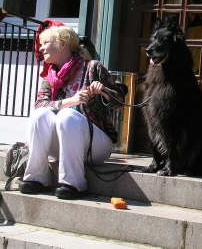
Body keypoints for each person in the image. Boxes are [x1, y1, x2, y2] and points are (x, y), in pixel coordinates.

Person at [19, 26, 126, 199]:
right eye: (41, 44)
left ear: (63, 44)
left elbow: (120, 101)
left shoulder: (93, 67)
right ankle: (37, 178)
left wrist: (104, 90)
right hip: (62, 143)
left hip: (95, 144)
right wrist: (72, 101)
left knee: (67, 116)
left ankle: (74, 183)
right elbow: (40, 104)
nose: (40, 48)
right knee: (40, 114)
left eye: (46, 43)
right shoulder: (50, 77)